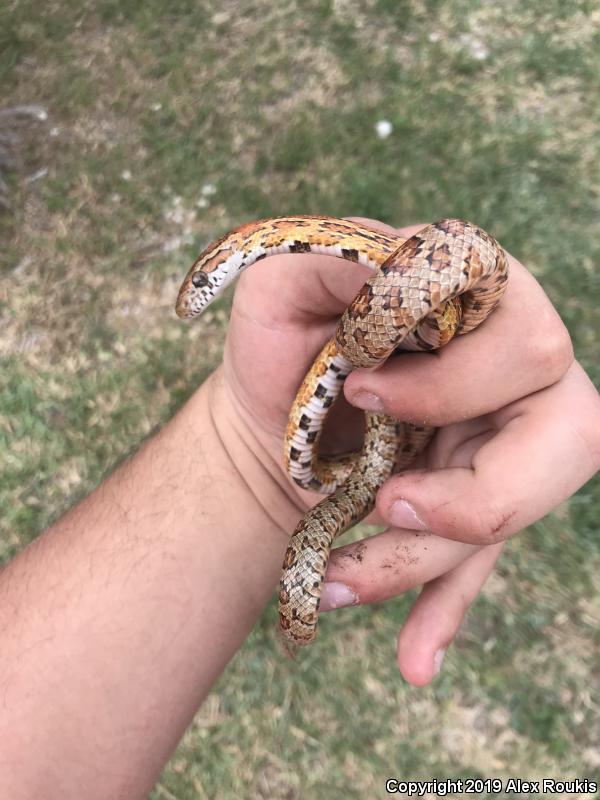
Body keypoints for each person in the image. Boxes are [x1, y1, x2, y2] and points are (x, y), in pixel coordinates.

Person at [0, 218, 598, 799]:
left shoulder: (314, 269)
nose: (199, 301)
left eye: (203, 289)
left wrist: (446, 283)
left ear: (221, 266)